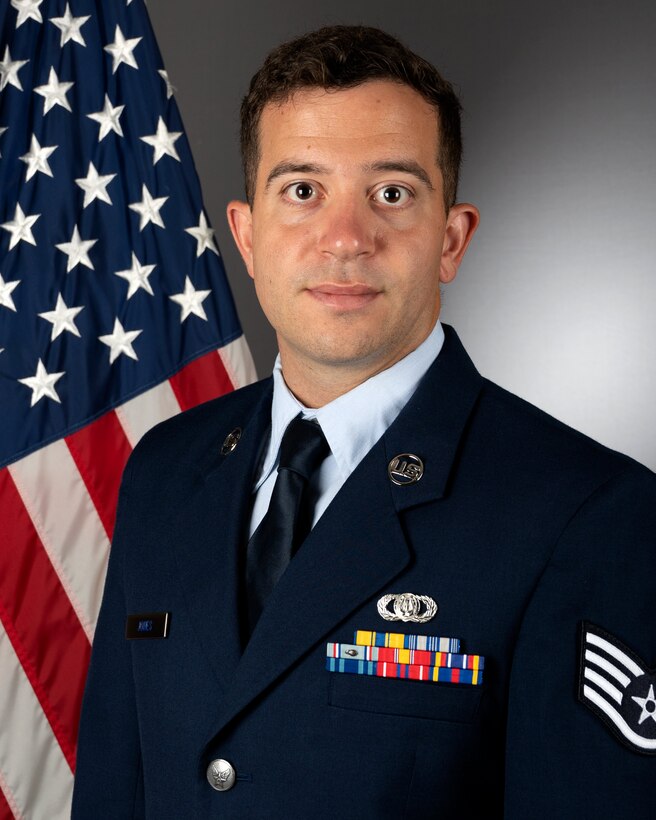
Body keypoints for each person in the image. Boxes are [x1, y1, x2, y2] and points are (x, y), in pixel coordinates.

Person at [72, 25, 656, 818]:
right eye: (303, 191)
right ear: (247, 235)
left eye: (391, 192)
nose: (345, 238)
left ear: (451, 240)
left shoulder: (587, 515)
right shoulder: (166, 470)